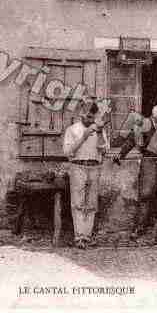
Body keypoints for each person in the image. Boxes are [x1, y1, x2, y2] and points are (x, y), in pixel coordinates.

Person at [113, 104, 157, 238]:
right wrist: (121, 154)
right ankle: (139, 228)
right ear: (153, 117)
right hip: (149, 161)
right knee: (145, 194)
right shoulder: (143, 125)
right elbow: (131, 140)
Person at [63, 101, 109, 249]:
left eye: (92, 117)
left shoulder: (98, 129)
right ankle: (79, 237)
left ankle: (87, 237)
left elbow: (104, 150)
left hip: (94, 167)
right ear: (81, 114)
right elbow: (67, 152)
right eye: (88, 116)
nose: (90, 120)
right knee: (77, 203)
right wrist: (83, 136)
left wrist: (100, 132)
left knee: (91, 204)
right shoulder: (72, 130)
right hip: (78, 166)